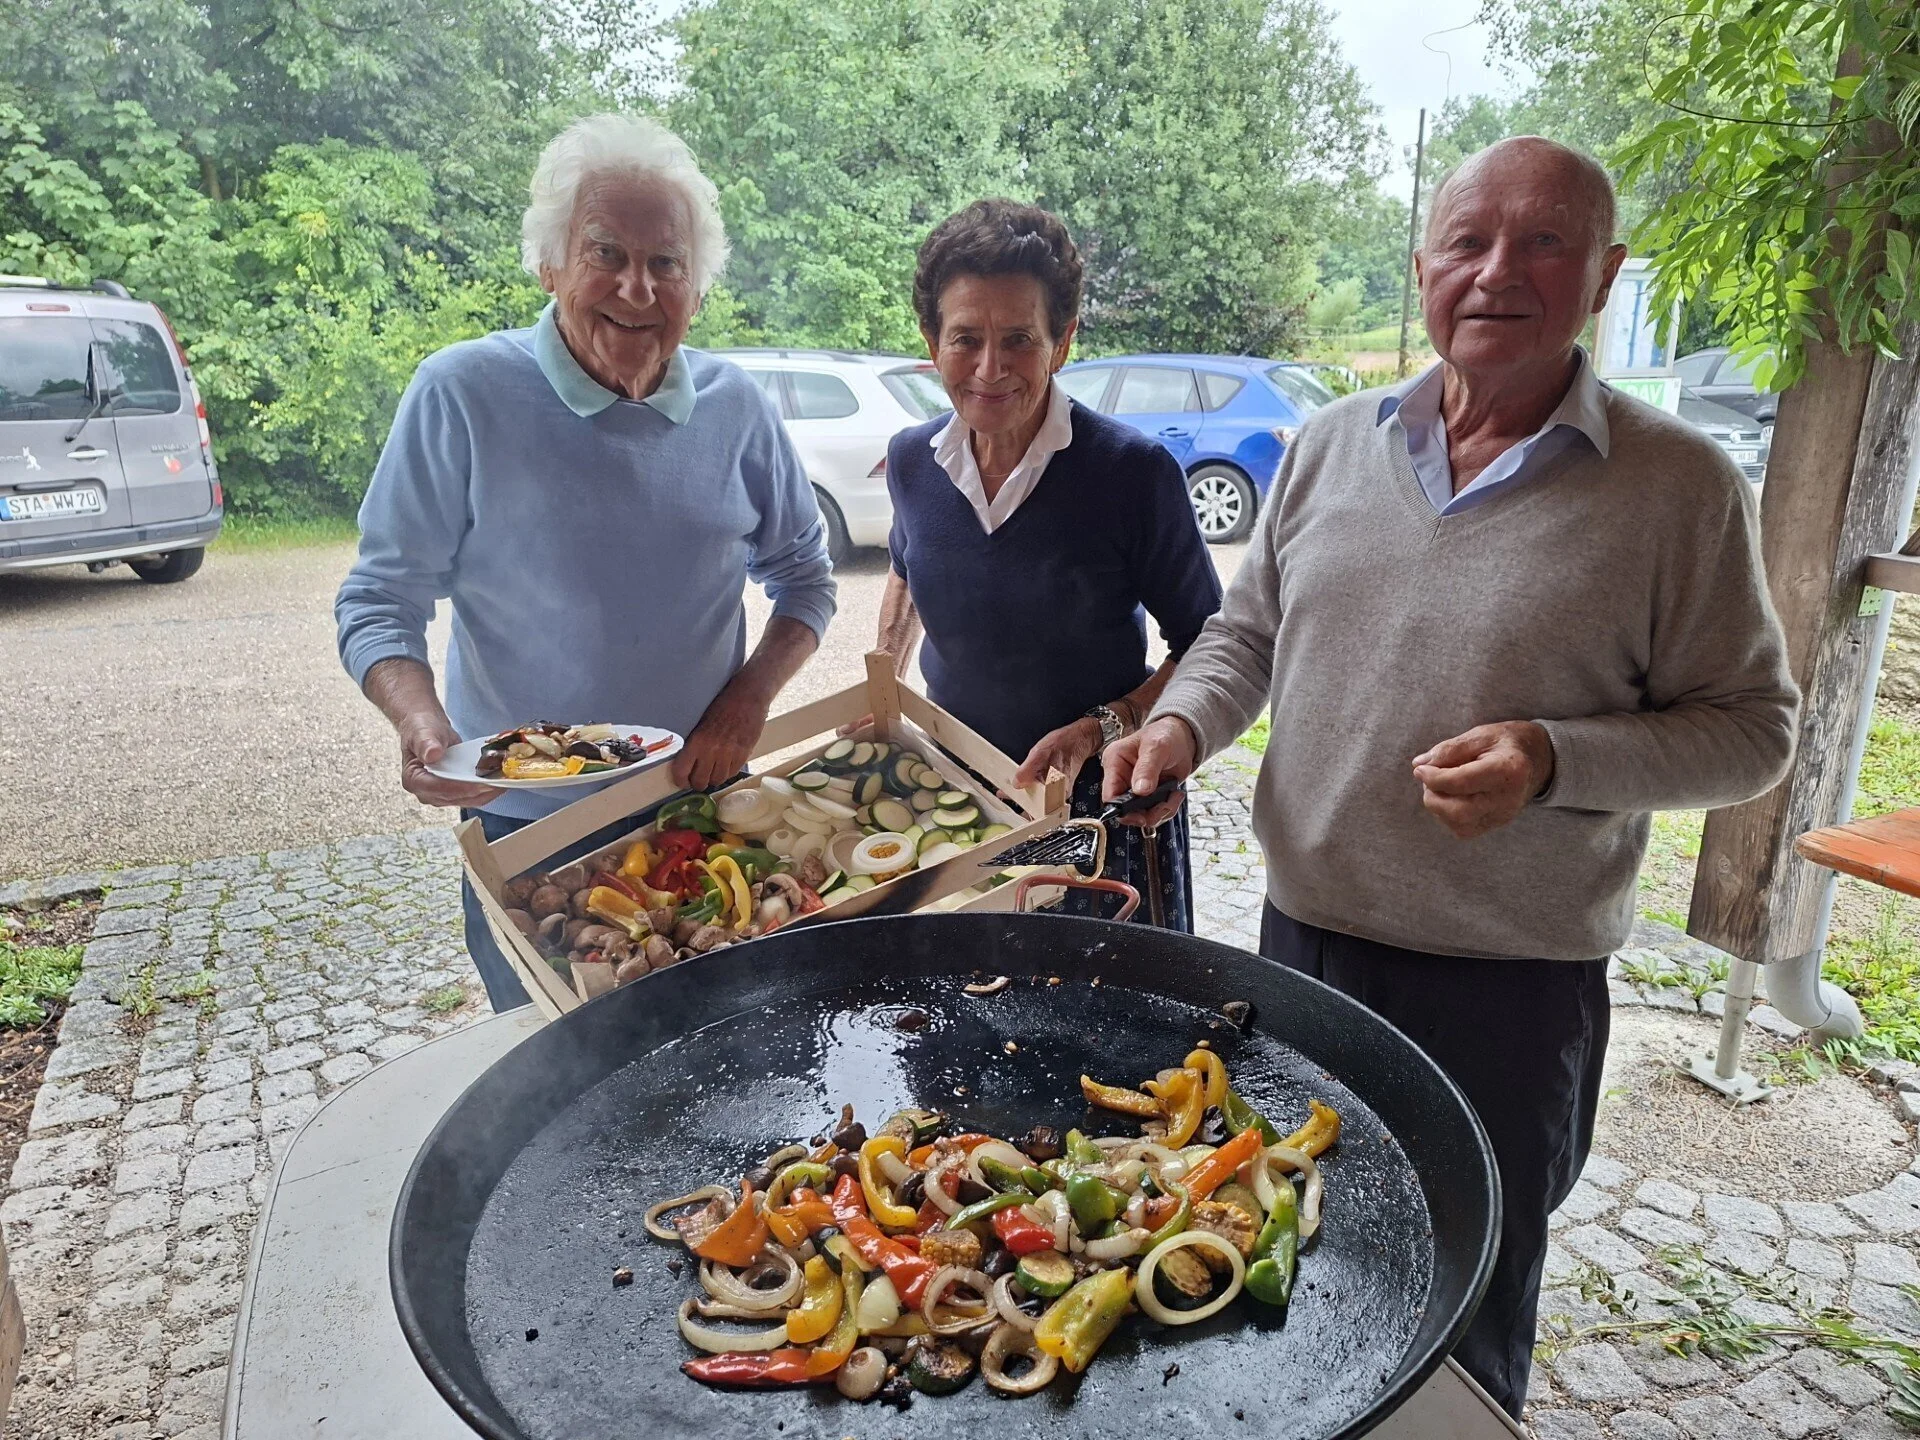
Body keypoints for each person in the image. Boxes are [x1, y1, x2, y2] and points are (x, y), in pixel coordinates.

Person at [1104, 137, 1797, 1413]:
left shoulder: (1680, 486)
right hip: (1303, 944)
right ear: (1423, 265)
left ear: (1605, 275)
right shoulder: (1329, 442)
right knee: (1274, 1257)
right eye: (1468, 241)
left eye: (1544, 242)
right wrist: (1184, 726)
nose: (1498, 271)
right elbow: (1247, 634)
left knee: (1461, 1316)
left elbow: (1755, 731)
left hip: (1509, 990)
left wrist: (1556, 758)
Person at [335, 114, 835, 1011]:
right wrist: (421, 723)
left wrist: (746, 702)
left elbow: (806, 578)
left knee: (719, 1048)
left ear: (696, 288)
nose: (638, 288)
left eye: (667, 262)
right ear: (549, 265)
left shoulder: (737, 408)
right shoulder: (461, 392)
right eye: (606, 253)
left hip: (700, 812)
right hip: (529, 829)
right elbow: (379, 597)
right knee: (551, 1064)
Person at [872, 199, 1222, 928]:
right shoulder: (911, 459)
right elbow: (905, 571)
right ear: (931, 342)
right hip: (958, 792)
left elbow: (1210, 642)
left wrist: (1105, 725)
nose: (990, 368)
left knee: (1097, 990)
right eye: (965, 338)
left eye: (1019, 340)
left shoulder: (1131, 472)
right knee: (968, 981)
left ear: (1062, 343)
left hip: (1096, 807)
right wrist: (882, 690)